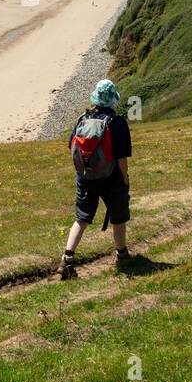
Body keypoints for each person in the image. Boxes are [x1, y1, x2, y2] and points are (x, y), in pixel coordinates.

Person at [60, 78, 132, 279]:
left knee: (81, 218)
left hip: (85, 178)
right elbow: (121, 159)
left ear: (96, 98)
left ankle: (67, 258)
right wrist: (125, 179)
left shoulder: (82, 119)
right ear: (113, 101)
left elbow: (72, 148)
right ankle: (122, 254)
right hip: (112, 179)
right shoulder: (117, 123)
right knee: (118, 217)